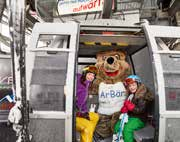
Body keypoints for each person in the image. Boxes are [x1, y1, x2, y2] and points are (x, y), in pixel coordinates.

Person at [114, 75, 154, 142]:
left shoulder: (142, 95)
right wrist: (125, 109)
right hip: (131, 117)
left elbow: (140, 110)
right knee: (117, 126)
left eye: (133, 85)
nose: (131, 87)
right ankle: (119, 139)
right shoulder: (131, 95)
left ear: (138, 85)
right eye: (129, 86)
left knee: (127, 129)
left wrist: (130, 107)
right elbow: (128, 107)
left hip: (139, 119)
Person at [76, 65, 99, 142]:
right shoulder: (77, 81)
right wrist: (80, 113)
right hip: (73, 115)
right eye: (89, 74)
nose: (91, 77)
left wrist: (85, 112)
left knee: (95, 116)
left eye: (93, 75)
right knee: (88, 126)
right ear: (84, 73)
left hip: (82, 112)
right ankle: (87, 136)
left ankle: (86, 138)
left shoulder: (87, 84)